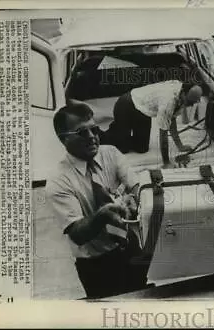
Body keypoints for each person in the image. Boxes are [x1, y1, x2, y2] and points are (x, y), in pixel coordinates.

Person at [46, 102, 146, 298]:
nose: (92, 138)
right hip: (96, 265)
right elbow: (77, 234)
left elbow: (135, 184)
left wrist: (134, 197)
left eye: (94, 129)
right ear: (62, 139)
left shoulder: (111, 153)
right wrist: (102, 216)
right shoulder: (58, 182)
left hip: (130, 248)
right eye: (82, 133)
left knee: (140, 299)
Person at [108, 80, 203, 168]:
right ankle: (114, 130)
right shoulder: (168, 102)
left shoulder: (181, 94)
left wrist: (180, 146)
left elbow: (171, 121)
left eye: (194, 103)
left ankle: (123, 132)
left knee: (142, 148)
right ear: (183, 93)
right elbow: (163, 133)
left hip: (144, 109)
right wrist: (166, 162)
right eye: (190, 102)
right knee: (123, 148)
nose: (191, 105)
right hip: (126, 104)